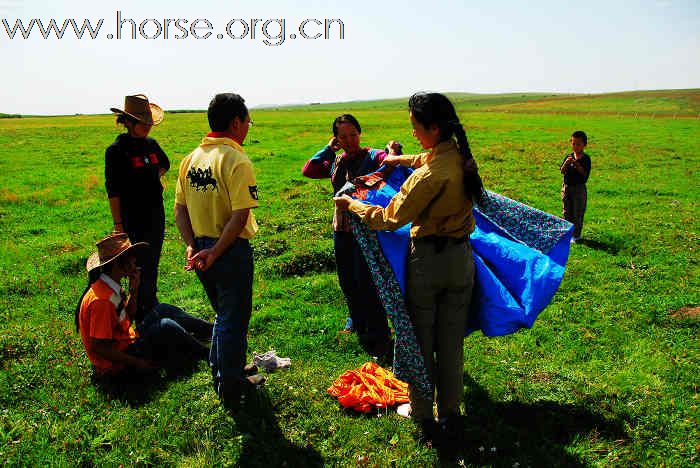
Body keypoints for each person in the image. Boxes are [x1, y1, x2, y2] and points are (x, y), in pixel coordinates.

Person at [334, 93, 484, 447]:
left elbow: (389, 219)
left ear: (433, 127)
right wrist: (397, 157)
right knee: (450, 343)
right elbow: (425, 156)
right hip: (462, 261)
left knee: (419, 339)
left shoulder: (427, 177)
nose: (414, 133)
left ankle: (420, 411)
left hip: (429, 264)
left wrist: (351, 203)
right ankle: (450, 412)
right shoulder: (460, 157)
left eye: (416, 127)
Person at [174, 92, 264, 408]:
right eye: (248, 121)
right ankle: (230, 386)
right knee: (233, 319)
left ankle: (226, 370)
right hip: (229, 249)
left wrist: (192, 245)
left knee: (223, 315)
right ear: (236, 122)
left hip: (200, 246)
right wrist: (216, 251)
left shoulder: (191, 159)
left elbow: (179, 210)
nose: (248, 127)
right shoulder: (236, 160)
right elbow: (240, 216)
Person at [302, 114, 393, 357]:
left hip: (367, 229)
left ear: (360, 133)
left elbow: (390, 161)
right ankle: (357, 323)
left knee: (368, 282)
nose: (349, 140)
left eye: (353, 134)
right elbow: (309, 169)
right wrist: (328, 149)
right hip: (341, 229)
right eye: (343, 137)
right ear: (336, 139)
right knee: (347, 280)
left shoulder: (373, 157)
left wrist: (392, 152)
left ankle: (380, 335)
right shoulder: (336, 161)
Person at [76, 233, 212, 379]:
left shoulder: (111, 285)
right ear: (117, 263)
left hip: (127, 342)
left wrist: (133, 291)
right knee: (166, 325)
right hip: (117, 365)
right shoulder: (101, 300)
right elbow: (100, 347)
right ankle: (209, 354)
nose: (134, 260)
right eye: (129, 256)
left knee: (163, 309)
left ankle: (213, 330)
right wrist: (137, 362)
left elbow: (127, 317)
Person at [106, 94, 170, 321]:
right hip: (133, 219)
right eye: (143, 122)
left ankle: (150, 304)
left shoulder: (152, 145)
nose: (148, 126)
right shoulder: (117, 151)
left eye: (149, 122)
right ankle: (138, 313)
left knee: (152, 262)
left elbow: (165, 164)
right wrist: (118, 225)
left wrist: (153, 180)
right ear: (128, 122)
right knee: (137, 266)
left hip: (156, 215)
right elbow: (113, 190)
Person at [560, 130, 591, 243]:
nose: (575, 146)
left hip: (579, 189)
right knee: (567, 211)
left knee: (577, 212)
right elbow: (562, 171)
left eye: (578, 144)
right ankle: (568, 233)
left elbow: (585, 174)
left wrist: (577, 165)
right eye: (573, 143)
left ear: (584, 145)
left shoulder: (585, 159)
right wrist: (566, 163)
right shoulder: (568, 156)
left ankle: (577, 235)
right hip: (567, 188)